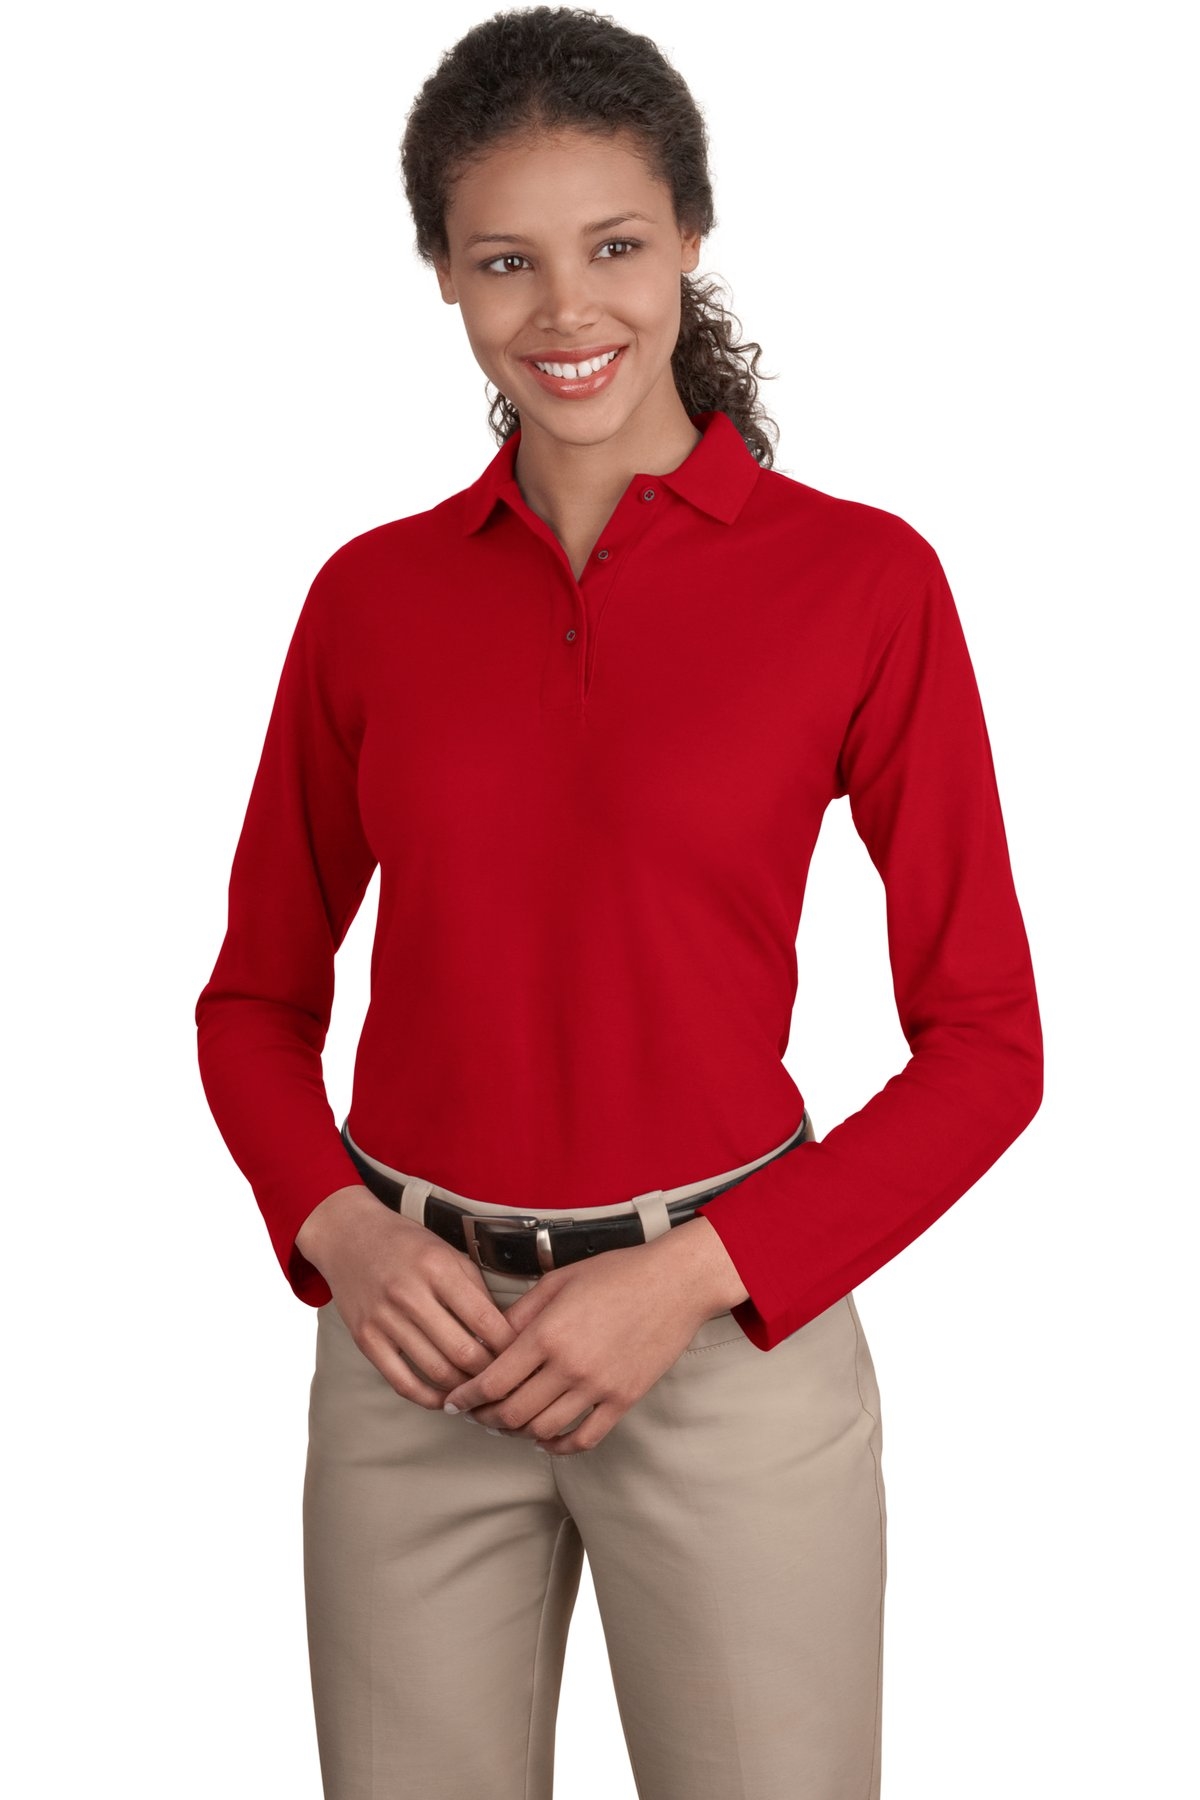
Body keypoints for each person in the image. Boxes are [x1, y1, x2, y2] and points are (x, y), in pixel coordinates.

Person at [194, 7, 1043, 1797]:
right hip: (411, 1356)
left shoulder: (864, 584)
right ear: (441, 271)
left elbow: (990, 1047)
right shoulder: (369, 602)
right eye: (506, 258)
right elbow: (254, 1002)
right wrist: (344, 1236)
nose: (565, 309)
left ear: (691, 240)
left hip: (731, 1351)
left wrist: (695, 1281)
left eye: (615, 246)